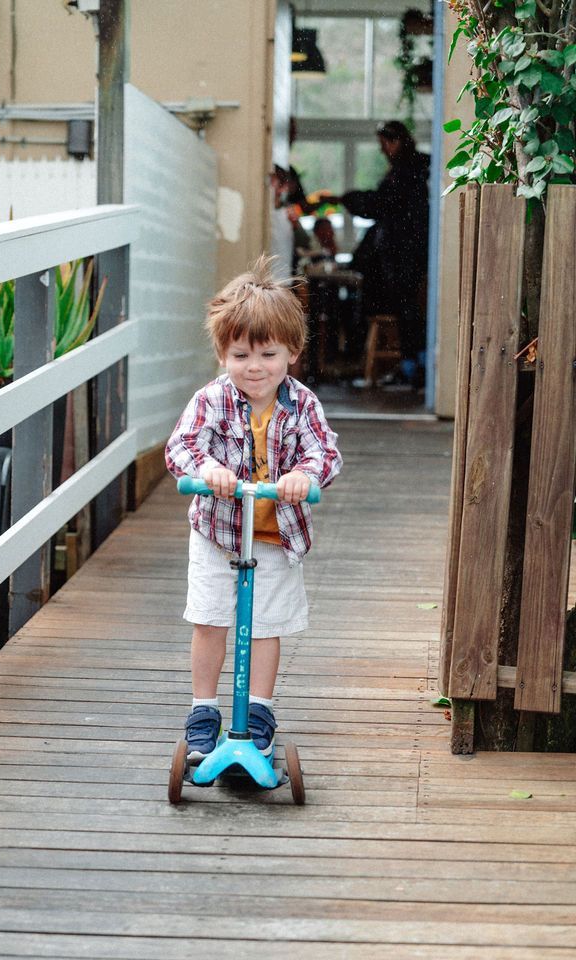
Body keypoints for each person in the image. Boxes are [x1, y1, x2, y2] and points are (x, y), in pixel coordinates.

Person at [165, 256, 343, 763]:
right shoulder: (211, 400)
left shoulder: (302, 403)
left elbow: (324, 450)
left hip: (276, 535)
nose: (255, 367)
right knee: (210, 618)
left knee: (266, 623)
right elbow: (180, 448)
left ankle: (259, 711)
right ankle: (203, 710)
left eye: (268, 353)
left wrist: (304, 477)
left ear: (292, 351)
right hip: (218, 534)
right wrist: (206, 471)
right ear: (223, 353)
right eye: (241, 355)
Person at [331, 120, 429, 386]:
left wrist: (349, 199)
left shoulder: (404, 173)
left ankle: (412, 368)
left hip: (403, 253)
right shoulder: (417, 170)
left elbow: (379, 204)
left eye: (384, 144)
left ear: (394, 142)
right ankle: (415, 364)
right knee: (409, 311)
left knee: (405, 309)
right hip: (411, 251)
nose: (382, 150)